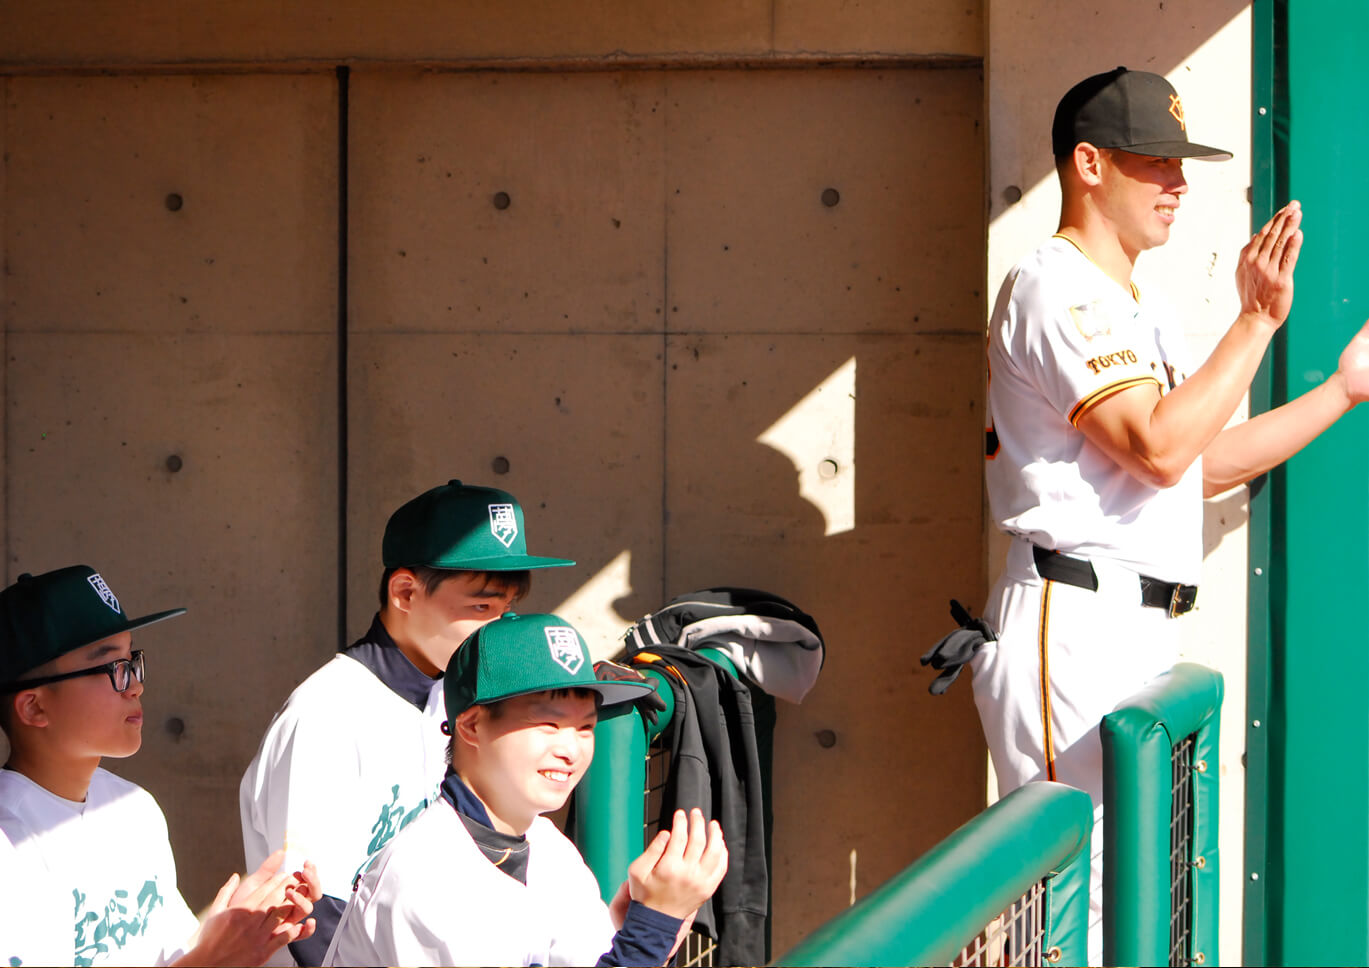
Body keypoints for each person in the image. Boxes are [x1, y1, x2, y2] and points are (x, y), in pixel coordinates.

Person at [971, 67, 1369, 961]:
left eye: (1181, 164)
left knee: (1125, 896)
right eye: (1155, 162)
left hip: (1123, 619)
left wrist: (1341, 393)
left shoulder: (1127, 302)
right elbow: (1157, 445)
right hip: (1070, 618)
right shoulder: (1055, 286)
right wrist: (1255, 324)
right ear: (1088, 165)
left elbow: (1190, 465)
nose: (1178, 184)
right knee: (1063, 909)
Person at [239, 480, 574, 965]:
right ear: (404, 592)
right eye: (481, 606)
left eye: (507, 608)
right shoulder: (325, 714)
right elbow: (311, 921)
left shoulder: (461, 701)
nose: (499, 627)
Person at [324, 612, 728, 967]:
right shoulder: (425, 876)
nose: (570, 749)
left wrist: (645, 936)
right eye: (548, 725)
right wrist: (648, 934)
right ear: (472, 726)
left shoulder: (547, 847)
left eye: (585, 727)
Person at [0, 564, 321, 967]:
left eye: (131, 658)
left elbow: (173, 955)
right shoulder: (10, 843)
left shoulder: (134, 808)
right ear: (34, 706)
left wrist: (241, 926)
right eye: (110, 667)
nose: (136, 684)